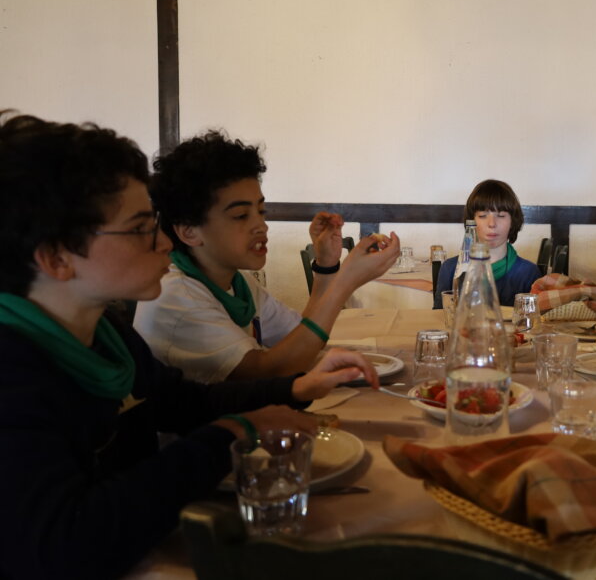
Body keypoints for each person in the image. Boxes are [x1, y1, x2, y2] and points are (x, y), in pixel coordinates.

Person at [0, 112, 379, 580]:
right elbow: (70, 542)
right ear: (57, 257)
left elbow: (180, 402)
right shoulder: (14, 373)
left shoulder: (108, 333)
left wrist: (290, 392)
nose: (164, 242)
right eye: (141, 228)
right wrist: (231, 433)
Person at [135, 131, 400, 383]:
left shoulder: (238, 283)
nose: (261, 226)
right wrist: (345, 282)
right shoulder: (176, 296)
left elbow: (301, 338)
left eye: (261, 212)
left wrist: (327, 265)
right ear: (189, 232)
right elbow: (266, 372)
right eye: (241, 215)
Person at [433, 179, 541, 308]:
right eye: (483, 215)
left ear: (513, 221)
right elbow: (438, 316)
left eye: (501, 216)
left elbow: (532, 319)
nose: (492, 224)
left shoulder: (528, 273)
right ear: (471, 221)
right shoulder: (451, 268)